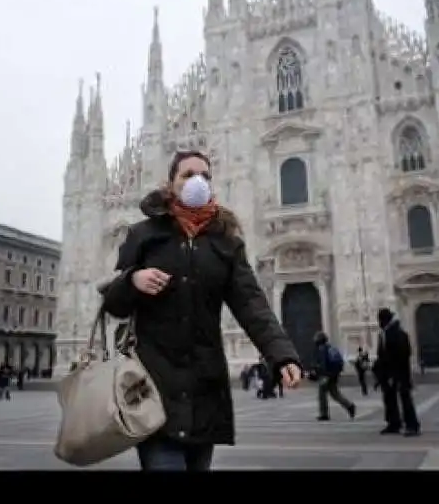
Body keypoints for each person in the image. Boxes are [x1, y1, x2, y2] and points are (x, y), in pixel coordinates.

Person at [101, 150, 303, 471]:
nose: (197, 181)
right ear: (171, 183)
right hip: (155, 390)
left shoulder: (224, 241)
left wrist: (282, 354)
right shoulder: (145, 235)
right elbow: (113, 302)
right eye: (188, 174)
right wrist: (132, 279)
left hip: (204, 391)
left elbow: (251, 302)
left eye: (205, 176)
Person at [372, 308, 420, 437]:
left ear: (384, 321)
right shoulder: (385, 334)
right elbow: (382, 355)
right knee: (389, 398)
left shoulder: (397, 334)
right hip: (389, 373)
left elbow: (402, 354)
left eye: (380, 320)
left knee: (404, 398)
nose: (379, 323)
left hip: (398, 373)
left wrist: (393, 373)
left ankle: (412, 425)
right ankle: (394, 423)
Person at [314, 331, 356, 421]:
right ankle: (349, 406)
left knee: (322, 394)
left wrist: (321, 373)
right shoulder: (331, 348)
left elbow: (323, 364)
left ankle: (324, 414)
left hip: (327, 375)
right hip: (334, 374)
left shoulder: (323, 349)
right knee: (335, 394)